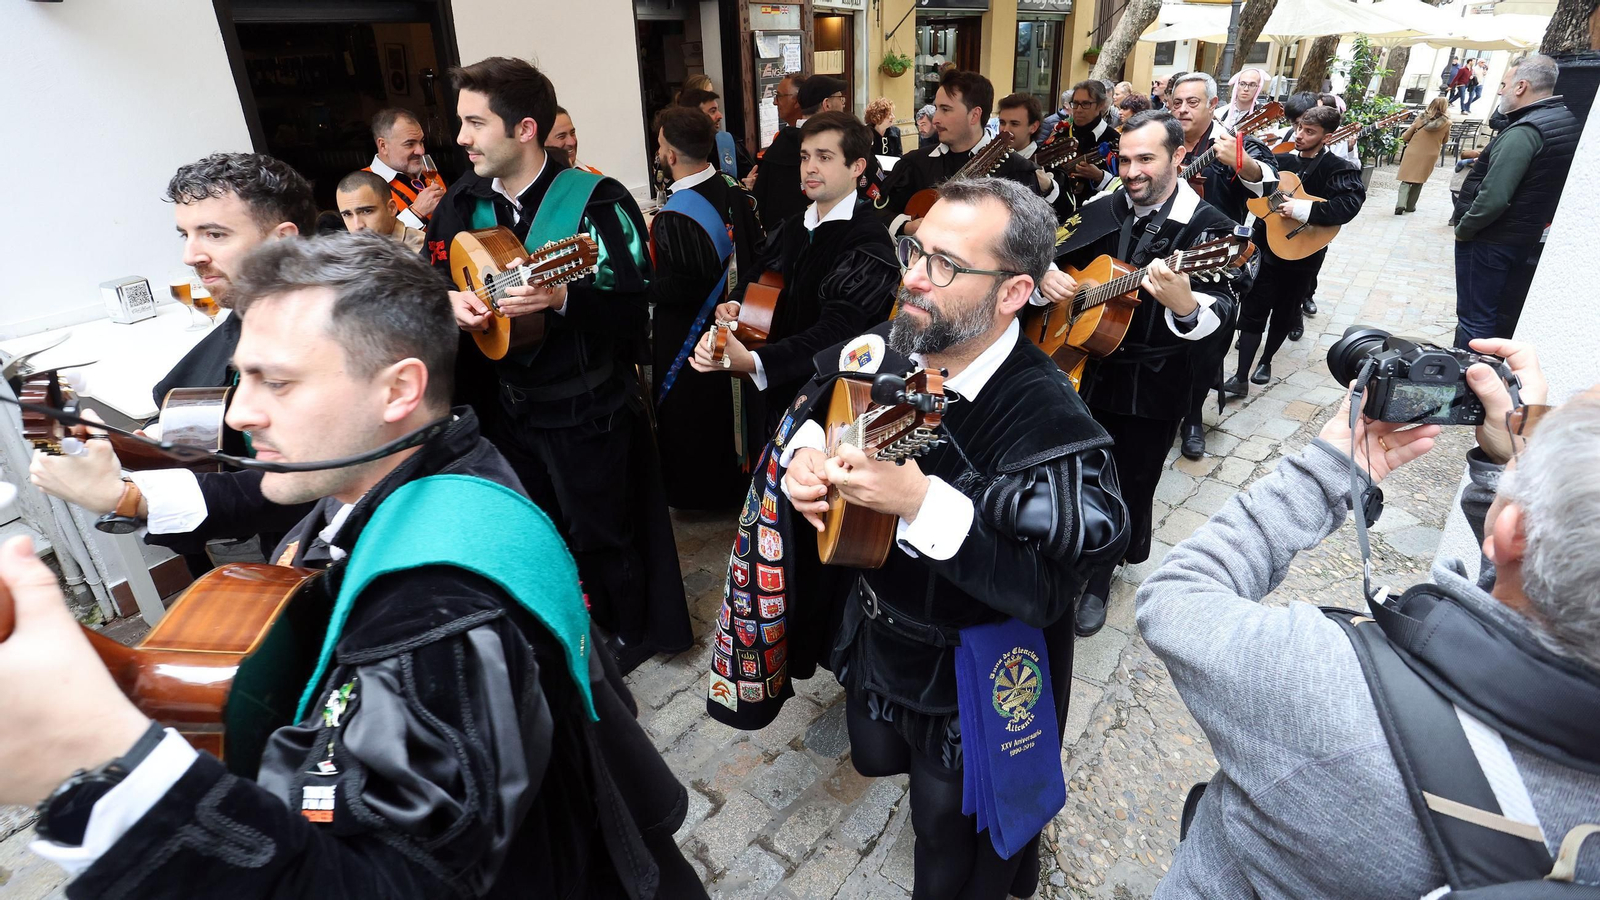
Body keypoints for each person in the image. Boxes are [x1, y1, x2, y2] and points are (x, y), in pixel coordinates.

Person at [15, 231, 708, 899]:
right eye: (242, 378)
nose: (242, 413)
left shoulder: (434, 617)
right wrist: (124, 493)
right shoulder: (440, 466)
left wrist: (104, 758)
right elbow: (255, 492)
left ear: (398, 390)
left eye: (276, 382)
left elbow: (395, 879)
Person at [1137, 338, 1600, 897]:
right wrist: (1511, 467)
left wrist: (1327, 471)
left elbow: (1176, 596)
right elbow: (1532, 610)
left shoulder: (1326, 687)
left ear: (1514, 530)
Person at [771, 177, 1125, 899]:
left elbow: (1046, 591)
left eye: (945, 265)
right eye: (915, 250)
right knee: (875, 754)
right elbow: (820, 399)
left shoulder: (1050, 420)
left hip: (971, 671)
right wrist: (804, 458)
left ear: (1014, 292)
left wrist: (918, 502)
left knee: (946, 828)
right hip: (878, 630)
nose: (911, 276)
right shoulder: (897, 340)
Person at [424, 56, 690, 673]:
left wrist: (564, 297)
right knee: (536, 526)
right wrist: (450, 299)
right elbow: (436, 273)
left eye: (474, 124)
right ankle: (562, 618)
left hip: (585, 408)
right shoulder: (466, 201)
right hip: (504, 407)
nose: (460, 138)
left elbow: (634, 310)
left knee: (603, 532)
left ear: (524, 130)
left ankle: (626, 633)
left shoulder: (597, 201)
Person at [1043, 110, 1244, 638]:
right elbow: (1050, 247)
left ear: (1180, 156)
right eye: (1125, 159)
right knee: (1068, 466)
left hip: (1152, 380)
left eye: (1146, 160)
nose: (1131, 172)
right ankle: (1061, 541)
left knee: (1131, 479)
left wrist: (1185, 306)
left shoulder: (1210, 230)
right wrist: (1046, 274)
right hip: (1078, 367)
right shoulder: (1104, 205)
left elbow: (1223, 312)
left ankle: (1099, 575)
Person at [689, 111, 898, 426]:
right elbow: (762, 270)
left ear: (857, 167)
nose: (810, 167)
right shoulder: (796, 224)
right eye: (805, 157)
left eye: (824, 157)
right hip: (781, 393)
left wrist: (755, 361)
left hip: (831, 401)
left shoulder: (869, 241)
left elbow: (837, 333)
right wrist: (736, 302)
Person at [647, 105, 761, 510]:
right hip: (736, 320)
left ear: (670, 155)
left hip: (687, 331)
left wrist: (641, 285)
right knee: (730, 412)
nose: (659, 153)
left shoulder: (675, 214)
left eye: (660, 145)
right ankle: (737, 485)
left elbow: (685, 286)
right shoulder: (733, 189)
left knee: (692, 414)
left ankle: (699, 495)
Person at [1166, 72, 1278, 461]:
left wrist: (1243, 162)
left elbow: (1269, 186)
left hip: (1216, 259)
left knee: (1209, 341)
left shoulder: (1234, 142)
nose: (1182, 109)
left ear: (1214, 105)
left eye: (1192, 102)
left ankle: (1193, 417)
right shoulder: (1164, 139)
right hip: (1167, 253)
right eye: (1177, 102)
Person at [153, 153, 317, 408]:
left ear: (283, 240)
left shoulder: (340, 341)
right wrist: (154, 430)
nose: (190, 257)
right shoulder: (246, 319)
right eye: (185, 235)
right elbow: (181, 416)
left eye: (214, 235)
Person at [1225, 104, 1366, 396]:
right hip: (1264, 246)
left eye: (1310, 131)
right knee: (1253, 308)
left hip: (1303, 252)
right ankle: (1240, 376)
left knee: (1285, 310)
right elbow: (1250, 187)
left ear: (1327, 137)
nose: (1300, 135)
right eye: (1299, 127)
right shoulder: (1278, 160)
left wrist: (1301, 209)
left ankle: (1266, 361)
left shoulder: (1339, 168)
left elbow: (1347, 206)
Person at [1454, 54, 1577, 349]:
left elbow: (1493, 197)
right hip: (1520, 237)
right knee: (1492, 316)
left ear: (1521, 87)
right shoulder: (1564, 119)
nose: (1500, 91)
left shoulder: (1525, 131)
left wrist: (1464, 229)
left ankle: (1469, 374)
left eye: (1504, 84)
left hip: (1492, 240)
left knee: (1475, 320)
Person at [875, 70, 1057, 238]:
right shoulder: (914, 163)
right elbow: (878, 212)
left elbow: (1031, 240)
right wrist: (907, 226)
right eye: (936, 108)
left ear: (974, 115)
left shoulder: (1018, 172)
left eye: (945, 109)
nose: (936, 119)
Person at [364, 107, 446, 231]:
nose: (421, 151)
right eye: (409, 144)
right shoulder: (364, 186)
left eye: (421, 142)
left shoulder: (429, 173)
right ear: (383, 146)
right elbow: (372, 240)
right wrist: (417, 212)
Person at [748, 73, 811, 228]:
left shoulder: (813, 138)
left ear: (797, 101)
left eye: (779, 96)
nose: (775, 102)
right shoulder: (782, 138)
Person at [995, 92, 1069, 219]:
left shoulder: (1051, 167)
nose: (1005, 130)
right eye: (1002, 122)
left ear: (1033, 127)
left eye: (1014, 124)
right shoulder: (993, 159)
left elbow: (1067, 212)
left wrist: (1049, 188)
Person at [334, 169, 425, 251]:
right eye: (347, 214)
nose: (357, 226)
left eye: (366, 211)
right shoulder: (344, 253)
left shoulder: (423, 251)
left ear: (391, 208)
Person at [1061, 79, 1120, 204]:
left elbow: (1123, 187)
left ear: (1100, 105)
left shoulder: (1114, 139)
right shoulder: (1061, 134)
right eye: (1075, 103)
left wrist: (1100, 177)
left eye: (1086, 104)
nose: (1078, 109)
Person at [678, 87, 751, 177]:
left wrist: (749, 182)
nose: (720, 116)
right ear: (695, 117)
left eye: (717, 110)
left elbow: (750, 175)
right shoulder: (676, 151)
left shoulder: (729, 143)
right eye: (713, 111)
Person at [1396, 98, 1452, 215]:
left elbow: (1406, 137)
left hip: (1414, 151)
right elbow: (1445, 140)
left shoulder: (1420, 119)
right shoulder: (1447, 123)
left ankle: (1400, 204)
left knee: (1406, 179)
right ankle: (1410, 206)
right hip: (1430, 154)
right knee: (1419, 180)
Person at [544, 106, 602, 174]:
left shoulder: (594, 176)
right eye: (562, 136)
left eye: (572, 133)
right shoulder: (535, 179)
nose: (572, 142)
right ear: (541, 142)